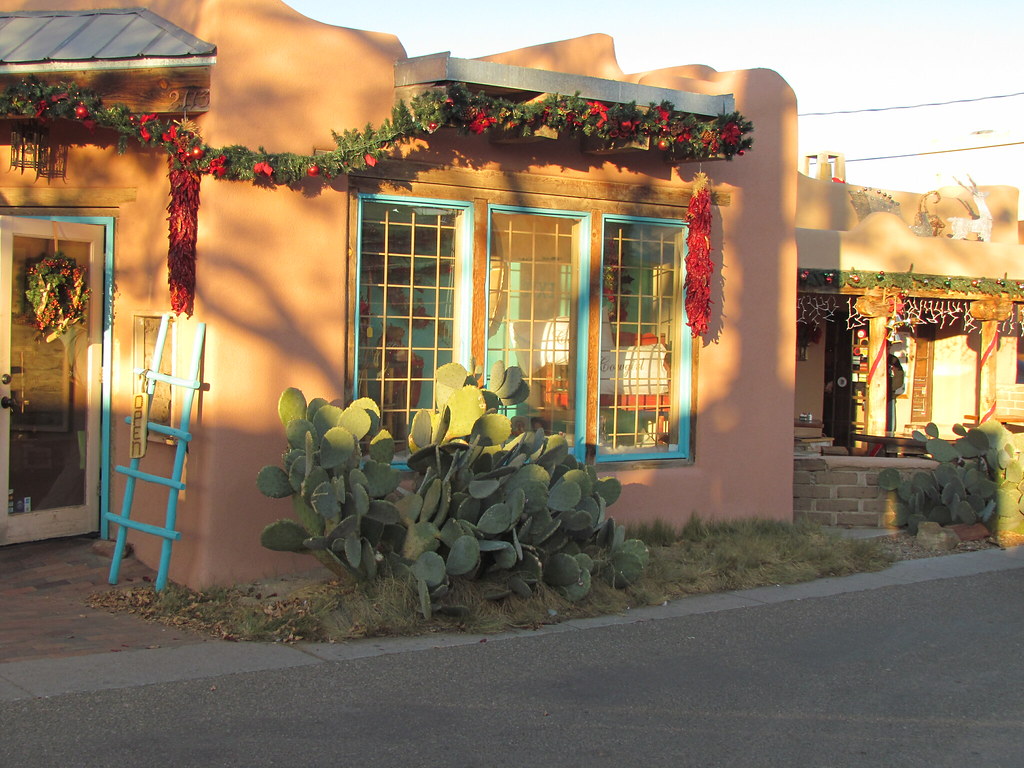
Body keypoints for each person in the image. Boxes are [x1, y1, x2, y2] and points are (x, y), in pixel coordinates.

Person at [886, 352, 905, 435]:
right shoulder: (868, 357)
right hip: (871, 396)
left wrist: (888, 388)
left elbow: (899, 376)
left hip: (889, 397)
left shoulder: (893, 360)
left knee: (889, 427)